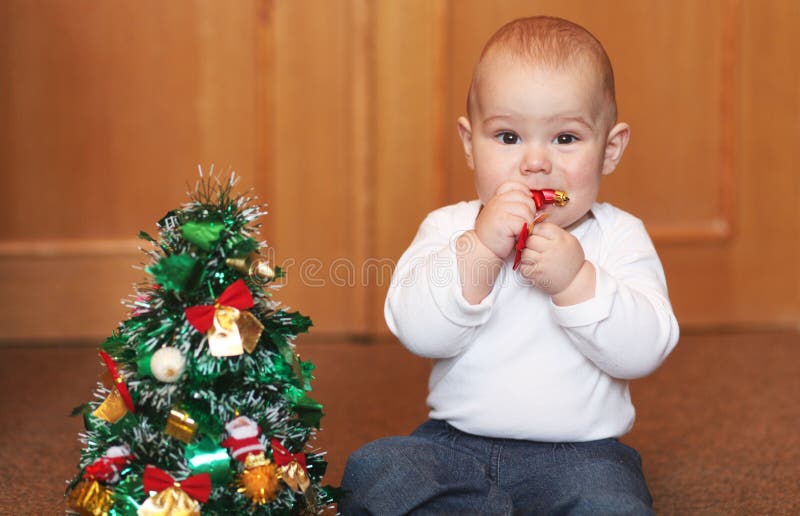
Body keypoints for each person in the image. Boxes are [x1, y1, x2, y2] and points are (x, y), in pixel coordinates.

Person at [340, 15, 679, 515]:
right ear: (469, 143)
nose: (535, 163)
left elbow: (645, 349)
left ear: (610, 150)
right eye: (507, 137)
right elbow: (418, 332)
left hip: (581, 456)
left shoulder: (619, 236)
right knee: (378, 469)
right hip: (455, 444)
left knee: (610, 503)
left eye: (565, 138)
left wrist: (577, 281)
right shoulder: (448, 227)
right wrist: (479, 252)